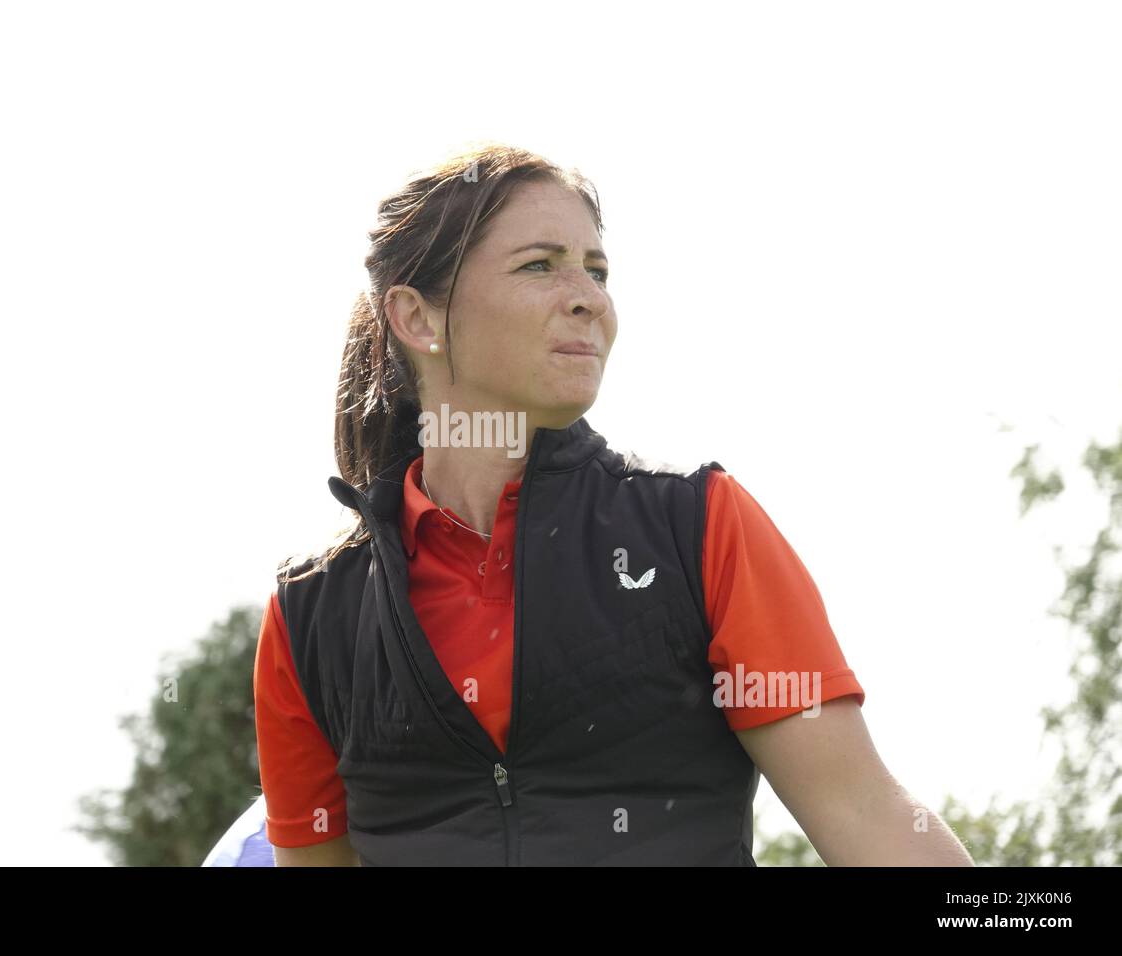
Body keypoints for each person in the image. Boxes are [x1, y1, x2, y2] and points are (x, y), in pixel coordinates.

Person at [252, 142, 974, 867]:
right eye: (540, 265)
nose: (590, 298)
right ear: (416, 318)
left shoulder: (698, 525)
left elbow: (866, 814)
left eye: (598, 271)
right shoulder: (310, 615)